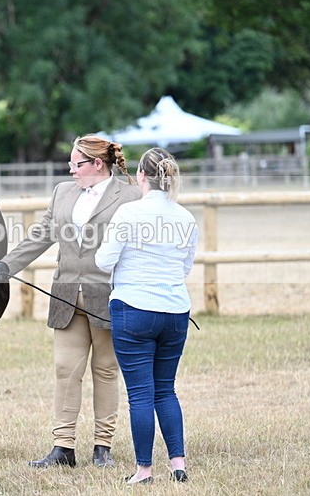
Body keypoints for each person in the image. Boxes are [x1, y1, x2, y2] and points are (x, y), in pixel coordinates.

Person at [0, 134, 140, 468]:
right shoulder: (63, 192)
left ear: (98, 164)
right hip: (67, 294)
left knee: (106, 369)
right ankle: (63, 447)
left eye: (77, 164)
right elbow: (41, 234)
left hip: (110, 296)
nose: (71, 170)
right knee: (64, 370)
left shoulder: (129, 196)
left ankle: (103, 447)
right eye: (70, 164)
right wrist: (6, 265)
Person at [94, 147, 199, 484]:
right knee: (166, 390)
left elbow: (104, 261)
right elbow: (184, 268)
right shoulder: (186, 218)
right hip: (175, 312)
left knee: (140, 393)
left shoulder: (128, 213)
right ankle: (178, 464)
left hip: (134, 309)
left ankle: (144, 470)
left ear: (141, 176)